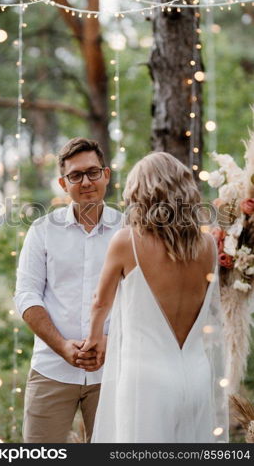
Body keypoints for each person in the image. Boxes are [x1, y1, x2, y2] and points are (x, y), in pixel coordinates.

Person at [82, 152, 229, 443]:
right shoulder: (210, 245)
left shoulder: (127, 240)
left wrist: (94, 339)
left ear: (141, 192)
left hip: (145, 381)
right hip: (197, 377)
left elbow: (101, 301)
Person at [13, 137, 122, 443]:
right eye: (75, 175)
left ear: (106, 175)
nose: (86, 181)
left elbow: (142, 300)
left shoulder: (129, 232)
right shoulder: (42, 231)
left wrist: (109, 342)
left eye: (92, 172)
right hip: (51, 368)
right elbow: (26, 295)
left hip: (112, 371)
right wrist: (62, 346)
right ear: (63, 183)